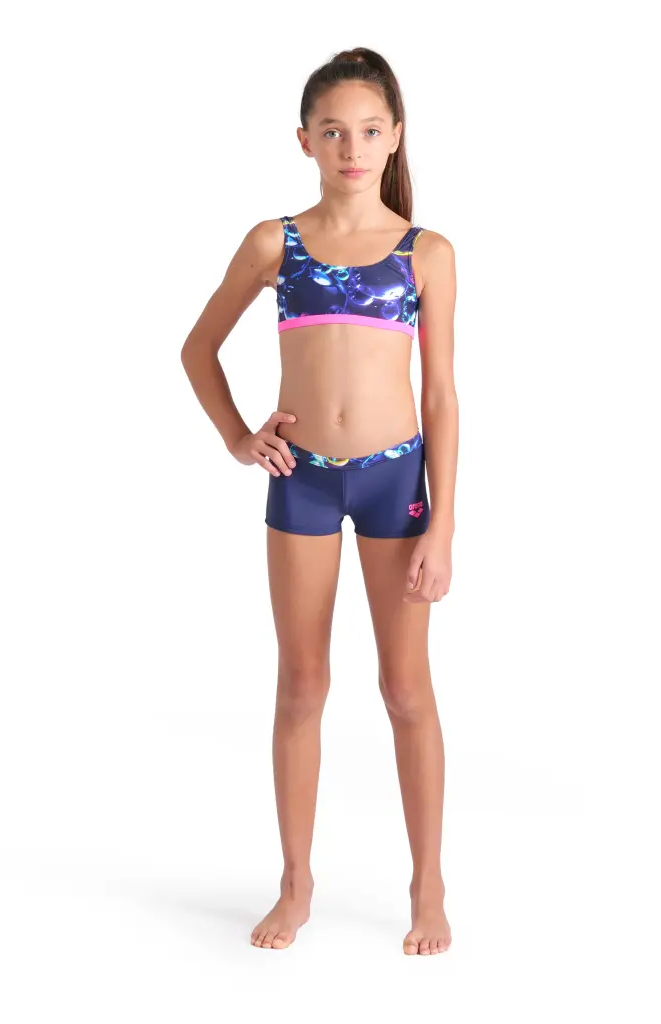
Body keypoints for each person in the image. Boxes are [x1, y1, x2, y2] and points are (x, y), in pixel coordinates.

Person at [181, 47, 458, 956]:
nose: (352, 147)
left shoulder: (425, 253)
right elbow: (197, 348)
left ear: (396, 137)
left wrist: (443, 522)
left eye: (370, 131)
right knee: (302, 684)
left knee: (405, 688)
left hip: (393, 479)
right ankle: (295, 882)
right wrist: (238, 436)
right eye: (333, 131)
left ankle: (428, 886)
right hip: (301, 477)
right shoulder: (277, 243)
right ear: (304, 140)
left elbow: (441, 395)